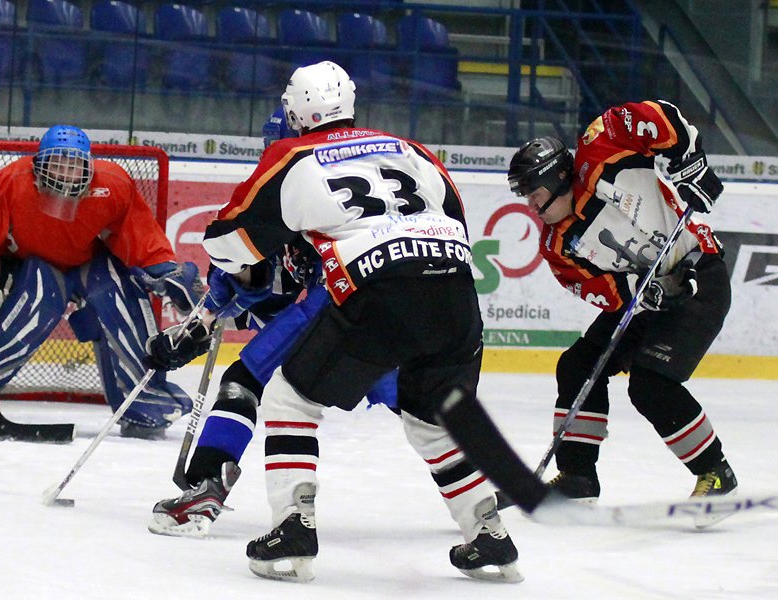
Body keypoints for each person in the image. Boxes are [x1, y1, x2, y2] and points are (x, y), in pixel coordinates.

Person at [198, 61, 525, 583]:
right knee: (428, 417)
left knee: (288, 400)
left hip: (379, 288)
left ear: (295, 113)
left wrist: (235, 265)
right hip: (456, 291)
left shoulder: (292, 155)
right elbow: (457, 223)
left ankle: (293, 526)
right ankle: (489, 534)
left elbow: (230, 242)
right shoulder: (411, 149)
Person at [145, 107, 398, 539]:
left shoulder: (290, 193)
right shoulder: (343, 182)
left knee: (244, 380)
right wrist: (191, 331)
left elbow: (247, 275)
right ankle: (478, 476)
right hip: (372, 308)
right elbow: (243, 285)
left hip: (336, 302)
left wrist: (205, 317)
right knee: (411, 396)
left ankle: (206, 487)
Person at [507, 100, 736, 526]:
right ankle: (578, 477)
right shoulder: (556, 246)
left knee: (650, 384)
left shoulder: (601, 152)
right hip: (645, 300)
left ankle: (716, 472)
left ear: (556, 178)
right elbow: (606, 293)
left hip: (698, 275)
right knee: (577, 365)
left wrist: (688, 163)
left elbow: (658, 115)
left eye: (533, 194)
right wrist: (641, 291)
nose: (532, 207)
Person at [0, 124, 203, 440]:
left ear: (88, 166)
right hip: (35, 263)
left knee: (120, 299)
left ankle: (145, 403)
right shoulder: (15, 180)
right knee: (34, 307)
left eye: (73, 165)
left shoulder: (113, 184)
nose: (65, 172)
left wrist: (165, 270)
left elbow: (139, 234)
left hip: (91, 262)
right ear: (39, 164)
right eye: (56, 163)